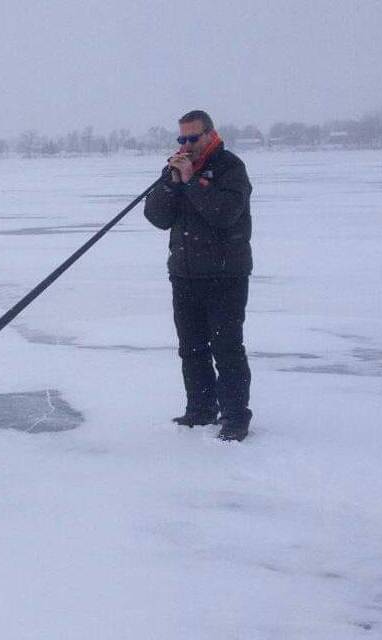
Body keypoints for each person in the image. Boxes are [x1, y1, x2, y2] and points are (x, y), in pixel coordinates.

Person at [143, 110, 253, 442]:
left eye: (193, 138)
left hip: (225, 276)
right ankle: (201, 409)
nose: (186, 145)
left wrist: (192, 181)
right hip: (185, 275)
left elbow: (224, 214)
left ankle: (235, 416)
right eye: (182, 139)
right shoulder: (176, 169)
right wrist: (174, 185)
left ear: (210, 134)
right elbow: (156, 216)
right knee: (191, 348)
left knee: (227, 348)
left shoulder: (230, 168)